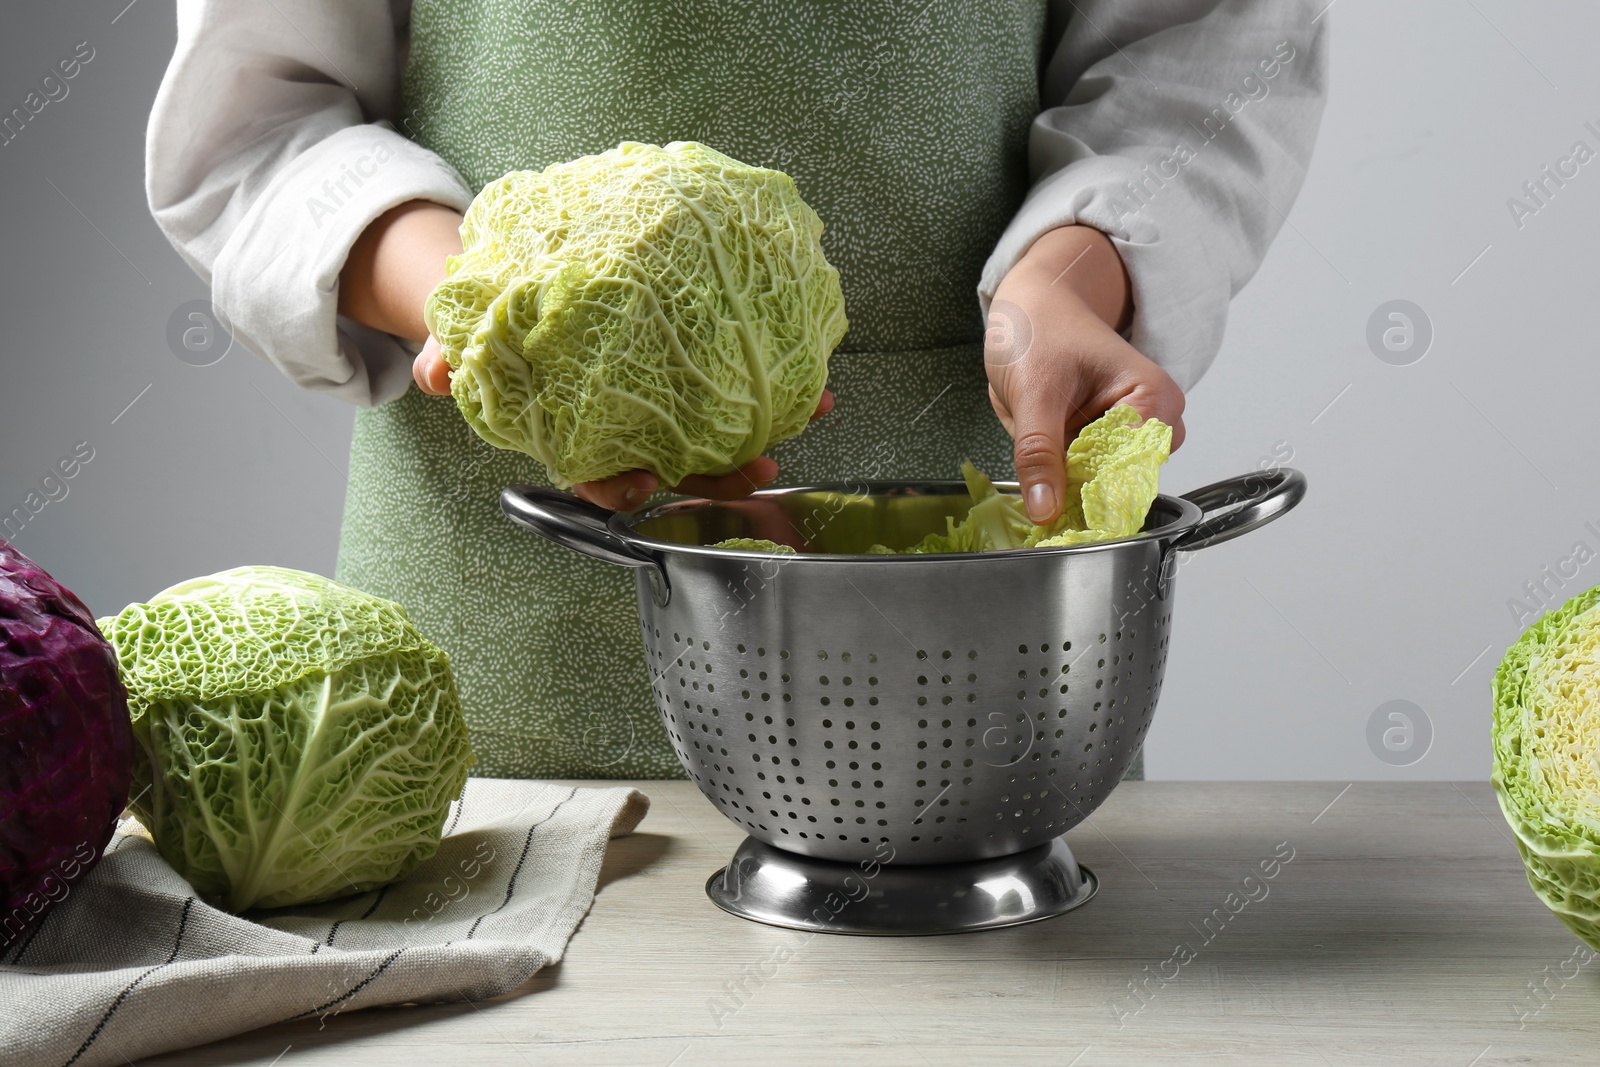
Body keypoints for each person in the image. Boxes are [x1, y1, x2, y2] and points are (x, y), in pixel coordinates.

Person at [147, 0, 1327, 779]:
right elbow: (260, 123)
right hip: (496, 648)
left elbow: (1204, 54)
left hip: (969, 664)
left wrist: (1068, 274)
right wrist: (485, 303)